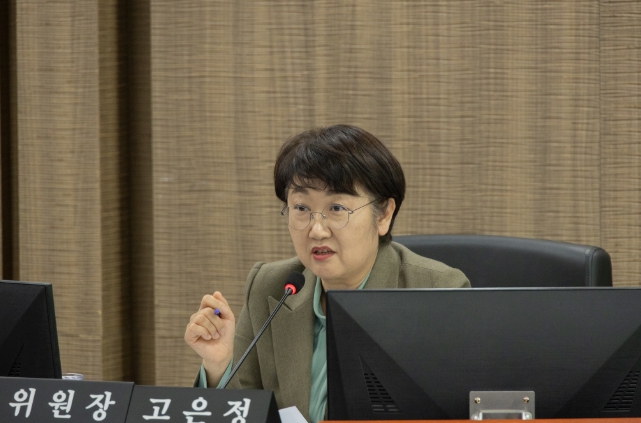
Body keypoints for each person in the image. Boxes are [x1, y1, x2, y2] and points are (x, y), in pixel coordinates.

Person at [184, 124, 470, 423]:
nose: (317, 230)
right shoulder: (271, 287)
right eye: (301, 208)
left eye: (336, 208)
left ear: (384, 214)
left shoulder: (437, 290)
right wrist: (220, 364)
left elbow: (457, 411)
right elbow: (243, 411)